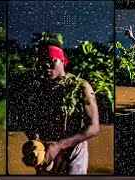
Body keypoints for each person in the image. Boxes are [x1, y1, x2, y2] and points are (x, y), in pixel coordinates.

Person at [23, 43, 100, 175]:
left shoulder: (82, 87)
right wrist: (35, 142)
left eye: (51, 61)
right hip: (48, 153)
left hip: (73, 153)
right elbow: (30, 121)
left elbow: (94, 128)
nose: (46, 66)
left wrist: (59, 145)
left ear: (63, 62)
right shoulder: (39, 91)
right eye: (43, 62)